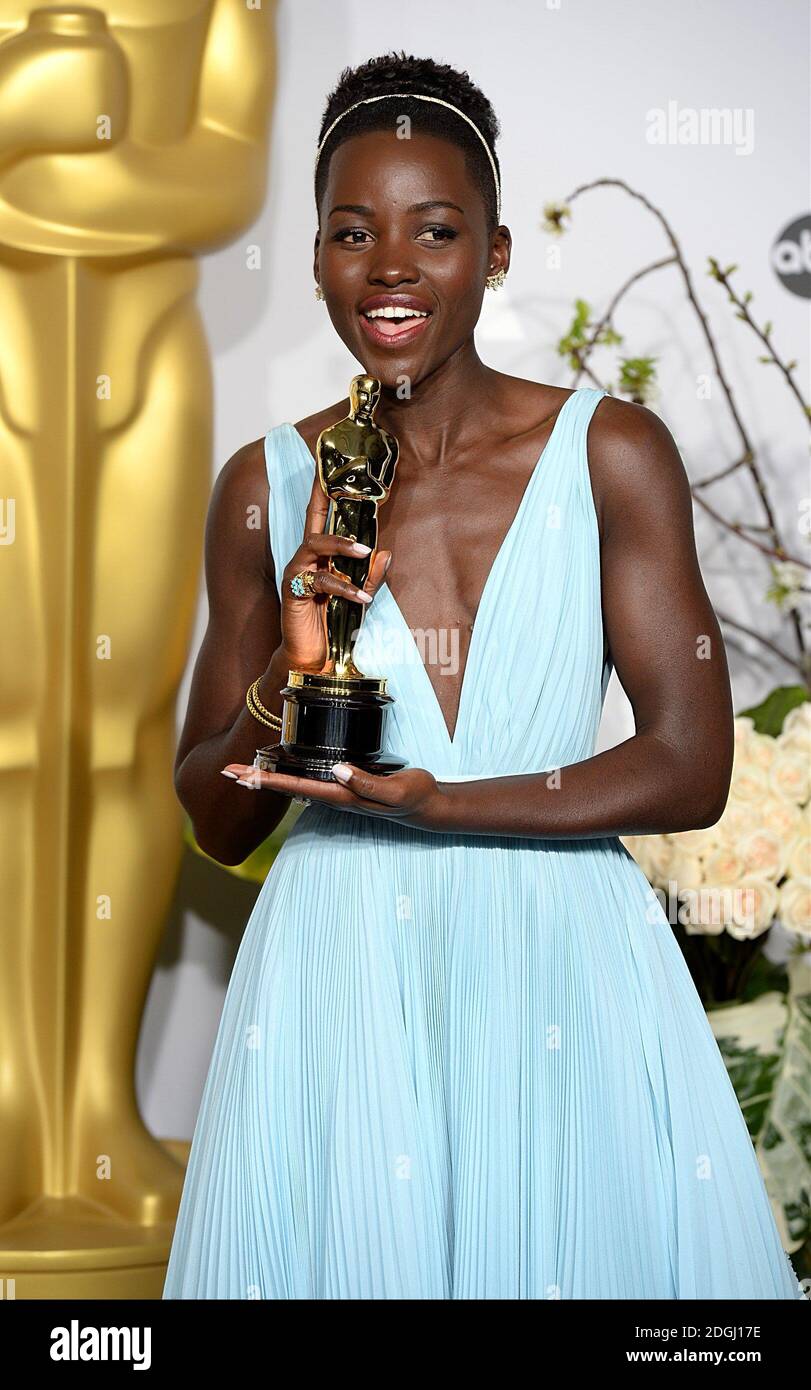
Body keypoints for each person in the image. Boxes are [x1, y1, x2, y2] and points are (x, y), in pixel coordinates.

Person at [163, 52, 804, 1300]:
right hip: (339, 976)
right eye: (353, 232)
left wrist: (446, 805)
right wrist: (290, 664)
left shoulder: (610, 452)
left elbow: (691, 764)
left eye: (435, 230)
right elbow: (214, 810)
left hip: (561, 959)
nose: (390, 265)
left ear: (496, 253)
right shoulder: (265, 485)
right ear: (314, 261)